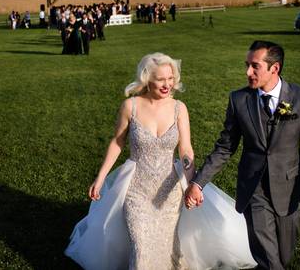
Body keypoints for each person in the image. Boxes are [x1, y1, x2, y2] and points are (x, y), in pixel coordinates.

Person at [185, 40, 300, 270]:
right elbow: (225, 147)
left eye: (254, 66)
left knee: (283, 256)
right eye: (246, 65)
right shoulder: (238, 100)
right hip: (255, 191)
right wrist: (198, 183)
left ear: (275, 68)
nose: (247, 72)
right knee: (271, 262)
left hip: (290, 191)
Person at [66, 53, 256, 269]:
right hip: (136, 189)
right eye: (160, 79)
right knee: (141, 247)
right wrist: (100, 179)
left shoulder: (179, 108)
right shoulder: (131, 106)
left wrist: (192, 183)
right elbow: (117, 143)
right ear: (147, 79)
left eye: (170, 78)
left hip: (169, 190)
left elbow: (185, 149)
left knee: (167, 247)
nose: (167, 84)